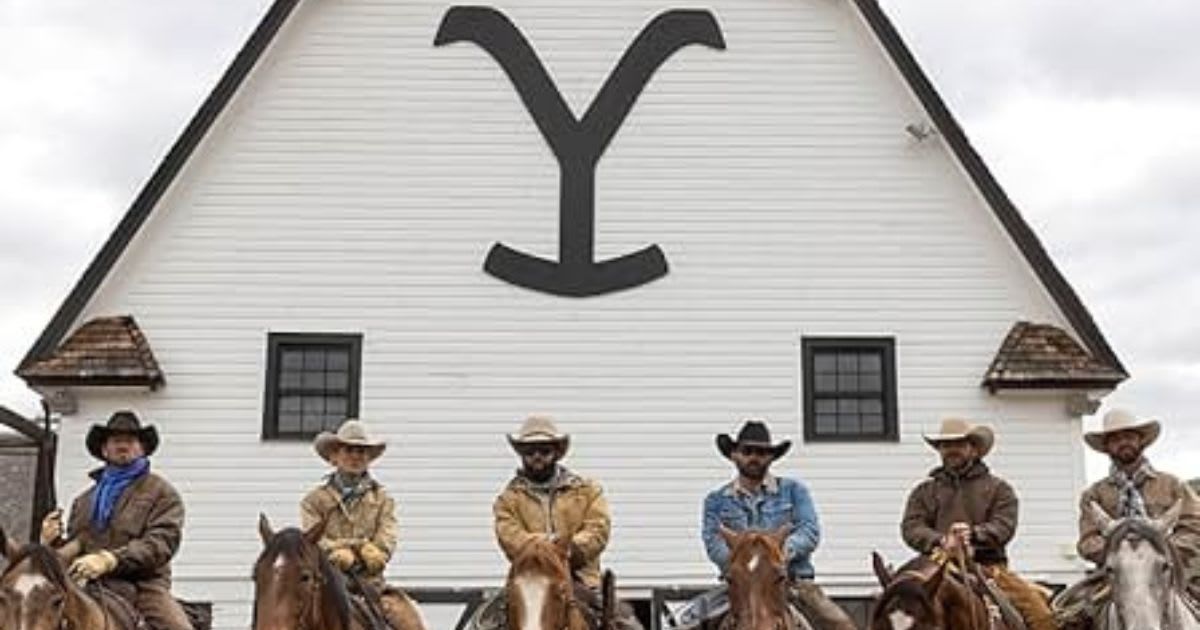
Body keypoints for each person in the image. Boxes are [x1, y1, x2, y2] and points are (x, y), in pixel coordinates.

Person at [471, 414, 643, 630]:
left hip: (581, 579)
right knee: (480, 625)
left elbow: (598, 529)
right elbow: (510, 537)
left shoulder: (588, 491)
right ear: (520, 454)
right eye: (529, 451)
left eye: (544, 450)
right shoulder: (507, 500)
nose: (537, 456)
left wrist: (568, 549)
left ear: (557, 452)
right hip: (527, 579)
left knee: (628, 624)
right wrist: (549, 548)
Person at [693, 419, 855, 630]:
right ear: (734, 455)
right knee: (682, 622)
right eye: (747, 451)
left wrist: (776, 556)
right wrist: (745, 565)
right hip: (738, 586)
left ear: (771, 457)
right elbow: (713, 543)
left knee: (841, 625)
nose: (754, 457)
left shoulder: (794, 491)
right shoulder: (715, 500)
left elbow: (809, 531)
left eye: (761, 452)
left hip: (794, 582)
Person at [41, 410, 192, 630]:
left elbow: (162, 543)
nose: (122, 445)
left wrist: (110, 559)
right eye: (115, 440)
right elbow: (78, 546)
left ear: (142, 449)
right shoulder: (83, 501)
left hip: (143, 586)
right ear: (104, 449)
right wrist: (52, 543)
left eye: (130, 440)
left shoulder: (162, 492)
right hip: (86, 584)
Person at [901, 417, 1055, 630]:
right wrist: (942, 540)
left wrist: (972, 535)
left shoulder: (999, 489)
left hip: (989, 569)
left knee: (1042, 617)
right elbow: (911, 527)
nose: (950, 450)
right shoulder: (924, 492)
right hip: (935, 568)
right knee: (894, 607)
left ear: (973, 449)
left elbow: (1004, 525)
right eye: (945, 445)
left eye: (958, 444)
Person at [1055, 408, 1200, 623]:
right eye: (1115, 439)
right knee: (1066, 616)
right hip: (1113, 574)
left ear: (1141, 440)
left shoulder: (1173, 485)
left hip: (1172, 571)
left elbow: (1194, 527)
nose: (1123, 442)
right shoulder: (1094, 495)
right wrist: (1117, 548)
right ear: (1106, 447)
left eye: (1129, 436)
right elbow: (1087, 542)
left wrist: (1162, 548)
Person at [300, 418, 425, 630]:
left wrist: (371, 552)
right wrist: (336, 553)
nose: (356, 456)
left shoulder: (383, 499)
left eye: (362, 451)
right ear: (334, 456)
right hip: (326, 586)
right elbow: (312, 539)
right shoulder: (313, 501)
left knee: (411, 621)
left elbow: (387, 539)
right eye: (349, 450)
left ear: (369, 458)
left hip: (372, 587)